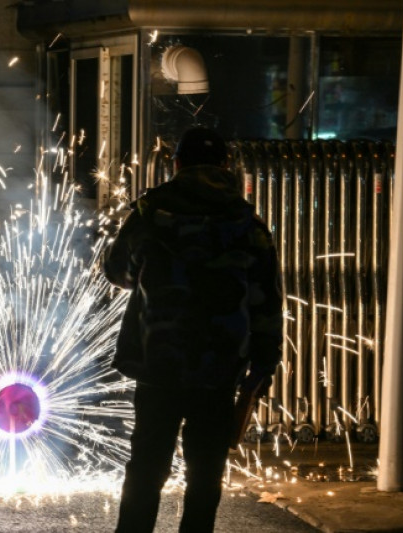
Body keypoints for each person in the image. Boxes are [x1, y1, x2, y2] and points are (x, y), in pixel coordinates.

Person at [103, 127, 283, 532]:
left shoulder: (150, 214)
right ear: (225, 166)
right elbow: (267, 304)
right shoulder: (246, 222)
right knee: (205, 473)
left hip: (159, 362)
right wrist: (263, 365)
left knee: (147, 466)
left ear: (177, 164)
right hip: (219, 367)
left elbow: (118, 272)